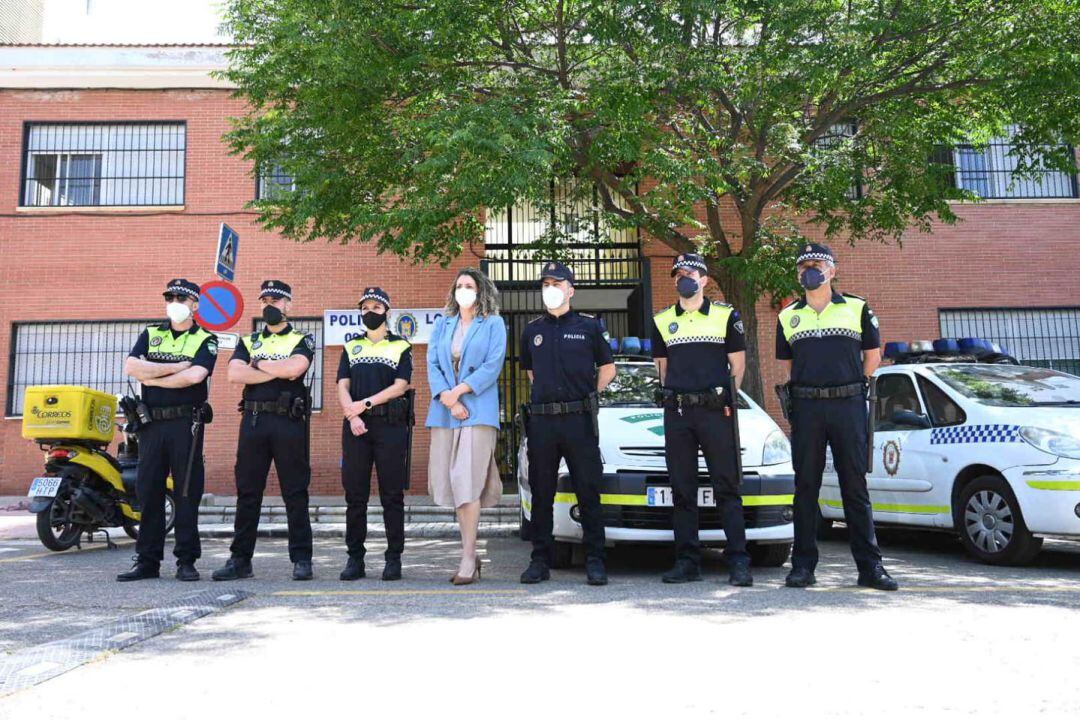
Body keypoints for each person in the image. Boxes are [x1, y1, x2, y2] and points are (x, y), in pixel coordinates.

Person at [776, 242, 898, 591]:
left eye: (817, 264)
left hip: (848, 405)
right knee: (805, 487)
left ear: (832, 270)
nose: (810, 271)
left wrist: (851, 387)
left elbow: (872, 357)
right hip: (807, 408)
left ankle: (870, 568)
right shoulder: (787, 315)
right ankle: (802, 567)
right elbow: (787, 366)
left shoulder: (857, 308)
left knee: (854, 487)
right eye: (804, 266)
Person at [651, 254, 752, 586]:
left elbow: (737, 366)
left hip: (715, 412)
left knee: (727, 487)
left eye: (690, 272)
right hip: (678, 413)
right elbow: (662, 370)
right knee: (682, 490)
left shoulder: (725, 315)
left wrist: (723, 399)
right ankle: (687, 562)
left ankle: (738, 561)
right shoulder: (663, 319)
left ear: (704, 279)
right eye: (679, 274)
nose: (684, 278)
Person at [519, 262, 616, 586]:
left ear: (570, 290)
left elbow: (608, 368)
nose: (550, 289)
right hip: (543, 423)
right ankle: (540, 561)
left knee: (588, 491)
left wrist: (587, 396)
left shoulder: (589, 327)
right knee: (542, 493)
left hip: (579, 421)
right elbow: (531, 373)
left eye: (557, 283)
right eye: (545, 284)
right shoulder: (532, 331)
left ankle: (595, 560)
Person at [212, 280, 316, 582]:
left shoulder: (302, 339)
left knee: (295, 492)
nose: (270, 305)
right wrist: (274, 367)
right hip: (254, 422)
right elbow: (234, 374)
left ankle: (302, 559)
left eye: (276, 300)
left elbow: (294, 369)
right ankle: (240, 560)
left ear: (288, 304)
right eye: (265, 300)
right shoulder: (248, 341)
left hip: (288, 422)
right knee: (247, 492)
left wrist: (256, 365)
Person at [118, 279, 217, 582]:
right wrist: (176, 367)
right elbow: (132, 367)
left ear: (195, 304)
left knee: (186, 492)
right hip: (151, 424)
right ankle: (147, 561)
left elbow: (195, 376)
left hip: (185, 424)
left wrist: (152, 376)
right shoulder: (152, 333)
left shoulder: (205, 338)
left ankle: (186, 560)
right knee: (149, 491)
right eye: (170, 297)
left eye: (181, 298)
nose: (174, 302)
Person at [426, 268, 506, 585]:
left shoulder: (494, 323)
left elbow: (493, 365)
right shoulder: (442, 324)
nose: (463, 289)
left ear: (480, 290)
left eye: (469, 285)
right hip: (446, 412)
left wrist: (459, 391)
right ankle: (468, 551)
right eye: (459, 285)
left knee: (466, 482)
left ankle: (469, 557)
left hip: (478, 410)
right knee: (452, 484)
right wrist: (448, 399)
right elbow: (432, 363)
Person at [337, 287, 414, 582]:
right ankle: (355, 559)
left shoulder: (401, 346)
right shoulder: (351, 347)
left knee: (391, 496)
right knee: (355, 497)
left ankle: (393, 558)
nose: (370, 312)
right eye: (365, 308)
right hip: (355, 427)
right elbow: (342, 385)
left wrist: (365, 404)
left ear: (387, 312)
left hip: (389, 427)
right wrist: (352, 414)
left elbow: (400, 386)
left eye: (376, 308)